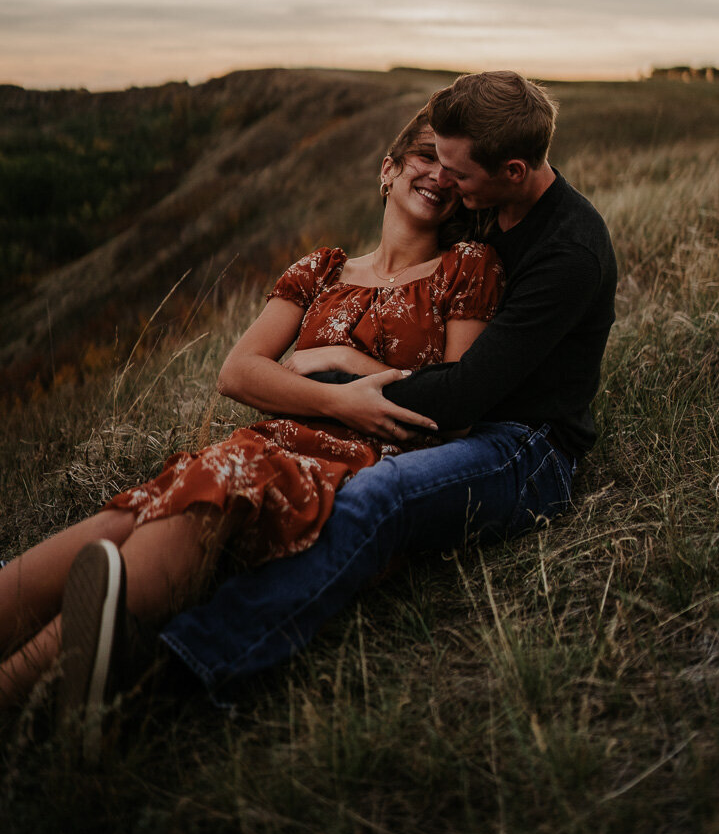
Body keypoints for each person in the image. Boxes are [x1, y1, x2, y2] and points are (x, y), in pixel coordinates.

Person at [0, 110, 503, 737]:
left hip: (355, 467)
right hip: (265, 444)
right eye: (425, 156)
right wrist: (339, 397)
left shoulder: (468, 268)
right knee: (126, 516)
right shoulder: (321, 270)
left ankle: (16, 694)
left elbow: (455, 405)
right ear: (388, 169)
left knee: (197, 501)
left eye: (454, 170)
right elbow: (238, 373)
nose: (438, 175)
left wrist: (338, 362)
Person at [160, 70, 617, 704]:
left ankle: (193, 662)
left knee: (381, 495)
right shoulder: (490, 209)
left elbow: (460, 397)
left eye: (460, 173)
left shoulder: (570, 251)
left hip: (526, 447)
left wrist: (338, 375)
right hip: (473, 418)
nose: (447, 184)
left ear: (512, 171)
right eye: (439, 165)